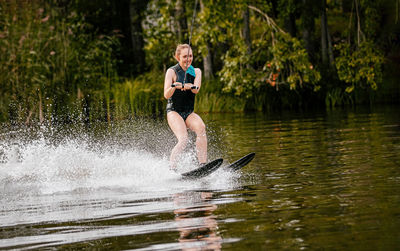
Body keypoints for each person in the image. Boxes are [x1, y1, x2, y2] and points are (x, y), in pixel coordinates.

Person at [164, 44, 207, 170]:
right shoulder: (171, 71)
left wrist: (188, 86)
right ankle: (172, 168)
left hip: (189, 112)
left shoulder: (196, 71)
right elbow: (166, 94)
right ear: (178, 57)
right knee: (184, 139)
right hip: (174, 112)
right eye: (185, 56)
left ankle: (202, 164)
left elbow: (196, 90)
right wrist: (174, 86)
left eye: (190, 56)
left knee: (201, 128)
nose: (188, 59)